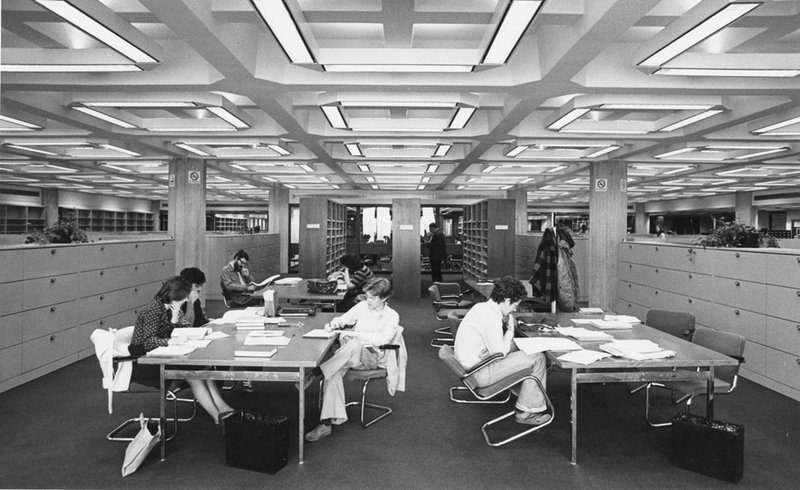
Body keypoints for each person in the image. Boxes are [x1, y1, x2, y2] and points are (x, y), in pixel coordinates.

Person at [304, 278, 401, 442]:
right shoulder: (363, 306)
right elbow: (344, 319)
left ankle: (315, 371)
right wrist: (334, 325)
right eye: (367, 296)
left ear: (384, 298)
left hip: (372, 357)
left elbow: (382, 340)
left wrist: (356, 335)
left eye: (372, 298)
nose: (368, 300)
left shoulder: (392, 316)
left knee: (354, 344)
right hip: (350, 356)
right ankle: (325, 424)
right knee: (333, 373)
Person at [129, 276, 235, 424]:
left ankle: (222, 407)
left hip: (166, 353)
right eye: (184, 298)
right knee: (192, 374)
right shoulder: (152, 310)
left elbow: (185, 328)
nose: (186, 301)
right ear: (175, 296)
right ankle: (216, 416)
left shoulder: (174, 308)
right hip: (145, 360)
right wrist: (171, 340)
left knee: (202, 367)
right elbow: (148, 342)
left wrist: (174, 319)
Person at [454, 276, 551, 426]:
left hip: (472, 365)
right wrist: (511, 329)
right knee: (538, 358)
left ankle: (526, 393)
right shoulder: (491, 318)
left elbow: (498, 349)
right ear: (506, 301)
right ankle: (526, 412)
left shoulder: (481, 307)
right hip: (479, 372)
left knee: (516, 346)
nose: (515, 310)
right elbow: (500, 353)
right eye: (515, 305)